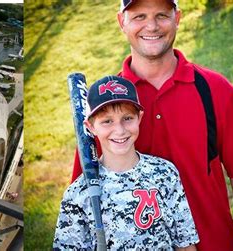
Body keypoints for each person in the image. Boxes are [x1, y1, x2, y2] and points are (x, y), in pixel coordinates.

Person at [71, 1, 233, 250]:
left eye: (161, 15)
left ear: (177, 18)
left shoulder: (216, 90)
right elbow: (83, 196)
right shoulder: (104, 108)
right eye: (139, 16)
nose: (151, 26)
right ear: (122, 22)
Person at [55, 76, 199, 250]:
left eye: (127, 118)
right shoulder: (78, 195)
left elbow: (185, 244)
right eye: (107, 121)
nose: (120, 130)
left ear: (139, 117)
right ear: (90, 127)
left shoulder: (164, 173)